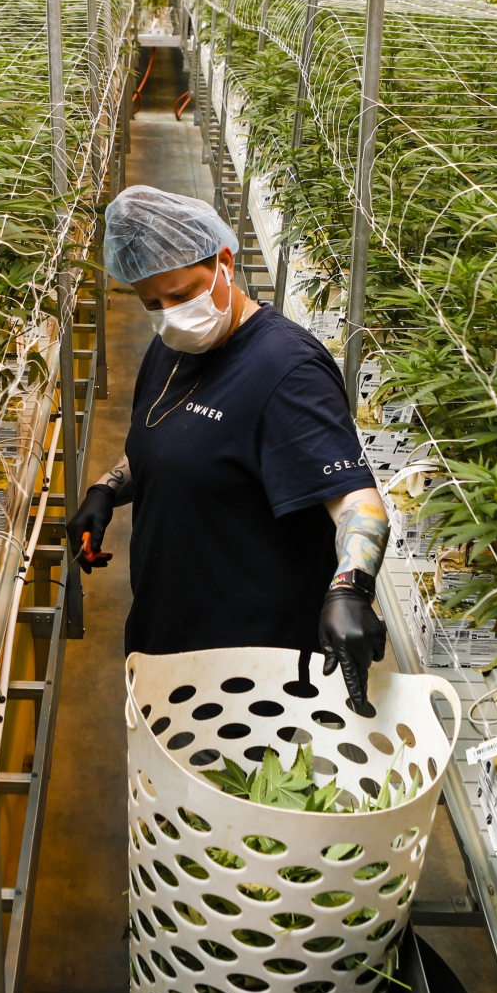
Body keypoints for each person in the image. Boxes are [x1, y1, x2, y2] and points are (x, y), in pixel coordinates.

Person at [65, 185, 391, 709]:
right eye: (152, 302)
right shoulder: (171, 344)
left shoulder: (287, 372)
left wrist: (350, 589)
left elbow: (358, 502)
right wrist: (107, 487)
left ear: (224, 262)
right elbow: (181, 439)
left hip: (255, 666)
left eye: (182, 294)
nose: (170, 314)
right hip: (165, 633)